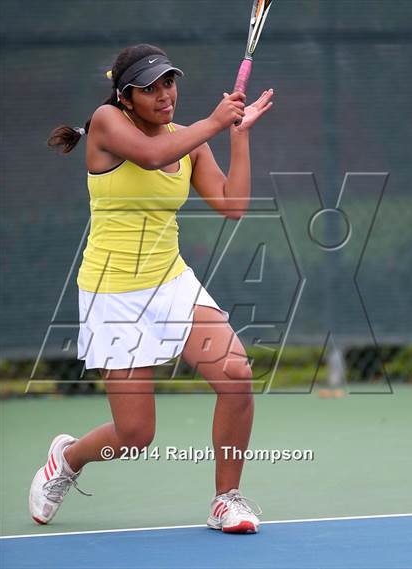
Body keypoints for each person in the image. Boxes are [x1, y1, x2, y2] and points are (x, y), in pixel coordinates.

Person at [29, 43, 273, 534]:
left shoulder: (191, 140)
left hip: (171, 281)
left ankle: (226, 499)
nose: (165, 95)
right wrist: (214, 119)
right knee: (136, 434)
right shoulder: (106, 123)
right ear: (125, 98)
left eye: (169, 82)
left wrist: (238, 135)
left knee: (237, 375)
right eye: (150, 88)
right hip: (112, 292)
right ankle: (69, 458)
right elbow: (152, 153)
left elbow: (233, 205)